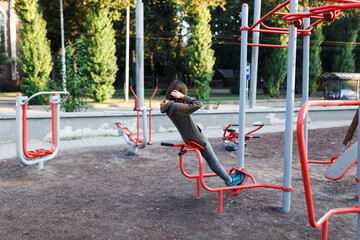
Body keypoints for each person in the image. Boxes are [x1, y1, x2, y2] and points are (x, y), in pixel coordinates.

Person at [160, 80, 244, 187]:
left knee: (210, 161)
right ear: (179, 93)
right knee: (214, 161)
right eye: (183, 92)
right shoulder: (176, 107)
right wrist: (183, 97)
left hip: (189, 137)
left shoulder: (168, 106)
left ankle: (227, 178)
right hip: (197, 138)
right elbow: (198, 104)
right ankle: (230, 181)